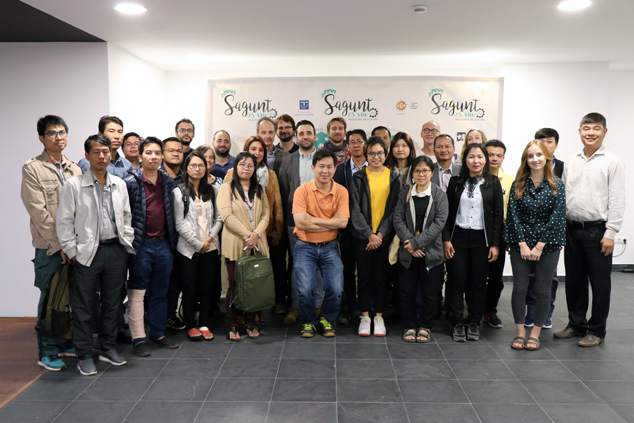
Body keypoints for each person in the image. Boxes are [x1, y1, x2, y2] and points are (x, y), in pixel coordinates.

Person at [57, 134, 134, 376]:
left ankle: (107, 347)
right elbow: (64, 221)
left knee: (112, 304)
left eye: (106, 152)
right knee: (84, 307)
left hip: (115, 251)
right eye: (97, 152)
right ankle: (84, 354)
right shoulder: (74, 185)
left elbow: (127, 217)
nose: (102, 156)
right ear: (87, 155)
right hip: (87, 254)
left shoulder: (119, 184)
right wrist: (72, 251)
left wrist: (126, 241)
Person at [554, 112, 625, 347]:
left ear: (604, 131)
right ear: (579, 132)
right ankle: (576, 324)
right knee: (574, 281)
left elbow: (617, 199)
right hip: (572, 228)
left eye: (596, 128)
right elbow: (564, 195)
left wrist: (610, 233)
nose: (590, 133)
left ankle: (596, 330)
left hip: (598, 231)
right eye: (586, 128)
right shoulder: (571, 160)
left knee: (600, 284)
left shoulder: (612, 161)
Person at [21, 115, 81, 371]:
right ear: (42, 138)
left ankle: (64, 343)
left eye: (62, 132)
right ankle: (46, 352)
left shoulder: (75, 168)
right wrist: (60, 245)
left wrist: (74, 245)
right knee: (49, 300)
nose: (59, 137)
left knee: (69, 298)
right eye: (52, 133)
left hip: (73, 246)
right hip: (49, 247)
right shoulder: (33, 168)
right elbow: (38, 212)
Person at [506, 140, 566, 351]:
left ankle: (535, 334)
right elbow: (513, 216)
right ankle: (520, 332)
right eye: (530, 156)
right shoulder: (518, 184)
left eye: (539, 155)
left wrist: (540, 245)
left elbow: (557, 217)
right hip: (520, 244)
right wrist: (522, 243)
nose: (535, 159)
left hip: (547, 245)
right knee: (519, 288)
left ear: (547, 157)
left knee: (543, 289)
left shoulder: (557, 185)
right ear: (526, 160)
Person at [123, 137, 179, 356]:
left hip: (164, 244)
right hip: (141, 245)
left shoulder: (167, 181)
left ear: (162, 156)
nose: (153, 157)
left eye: (157, 153)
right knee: (137, 293)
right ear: (140, 156)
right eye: (148, 153)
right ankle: (138, 338)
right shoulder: (130, 182)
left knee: (160, 292)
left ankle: (158, 333)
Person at [443, 143, 503, 342]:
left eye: (479, 157)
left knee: (478, 283)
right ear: (464, 159)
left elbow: (497, 216)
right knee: (457, 280)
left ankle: (474, 321)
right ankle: (457, 322)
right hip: (458, 238)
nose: (475, 161)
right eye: (471, 157)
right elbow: (446, 213)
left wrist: (495, 244)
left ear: (485, 159)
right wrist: (446, 239)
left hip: (482, 239)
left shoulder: (493, 182)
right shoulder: (455, 181)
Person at [224, 137, 285, 315]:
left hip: (263, 235)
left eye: (261, 150)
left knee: (257, 280)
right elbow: (226, 212)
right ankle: (235, 320)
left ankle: (254, 318)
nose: (257, 153)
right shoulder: (230, 176)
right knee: (236, 281)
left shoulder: (268, 177)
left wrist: (274, 232)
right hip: (238, 238)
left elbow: (274, 207)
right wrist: (247, 234)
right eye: (253, 149)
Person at [293, 150, 349, 338]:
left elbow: (343, 223)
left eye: (329, 167)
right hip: (305, 246)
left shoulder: (341, 191)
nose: (325, 171)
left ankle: (326, 319)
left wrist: (313, 219)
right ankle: (308, 321)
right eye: (321, 166)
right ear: (313, 168)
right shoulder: (302, 191)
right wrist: (330, 222)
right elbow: (300, 223)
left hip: (330, 246)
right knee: (305, 290)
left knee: (336, 289)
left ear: (335, 169)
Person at [393, 156, 448, 342]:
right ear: (412, 174)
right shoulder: (406, 192)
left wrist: (417, 243)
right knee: (406, 291)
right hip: (408, 251)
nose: (421, 174)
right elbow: (398, 219)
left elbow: (439, 223)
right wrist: (410, 243)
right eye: (417, 171)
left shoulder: (439, 195)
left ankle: (425, 326)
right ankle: (409, 325)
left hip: (430, 252)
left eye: (425, 170)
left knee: (430, 292)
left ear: (432, 173)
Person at [350, 136, 400, 336]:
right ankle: (365, 316)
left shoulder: (394, 177)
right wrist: (369, 234)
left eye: (380, 153)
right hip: (363, 237)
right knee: (363, 277)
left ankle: (378, 316)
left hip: (383, 237)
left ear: (386, 154)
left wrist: (380, 234)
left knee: (381, 278)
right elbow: (354, 209)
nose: (376, 157)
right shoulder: (358, 177)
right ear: (366, 154)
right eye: (371, 153)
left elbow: (395, 209)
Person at [218, 152, 270, 340]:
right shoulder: (226, 188)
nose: (246, 168)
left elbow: (266, 214)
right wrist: (247, 234)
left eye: (250, 165)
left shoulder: (260, 189)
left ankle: (250, 322)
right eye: (242, 164)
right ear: (235, 166)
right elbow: (227, 216)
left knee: (254, 285)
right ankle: (233, 323)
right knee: (235, 285)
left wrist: (256, 234)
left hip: (257, 243)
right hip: (236, 243)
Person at [278, 120, 326, 324]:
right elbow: (284, 191)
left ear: (315, 136)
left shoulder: (325, 159)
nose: (305, 136)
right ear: (296, 137)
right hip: (295, 222)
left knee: (320, 265)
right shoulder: (287, 161)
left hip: (322, 222)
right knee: (298, 265)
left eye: (309, 133)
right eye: (301, 133)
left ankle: (319, 306)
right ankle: (297, 306)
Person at [173, 152, 223, 342]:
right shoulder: (179, 192)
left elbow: (219, 218)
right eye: (193, 165)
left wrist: (209, 239)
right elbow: (179, 223)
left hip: (210, 246)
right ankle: (190, 324)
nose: (197, 169)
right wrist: (197, 243)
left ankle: (204, 323)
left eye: (201, 165)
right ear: (186, 169)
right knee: (190, 287)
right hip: (188, 249)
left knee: (207, 287)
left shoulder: (212, 190)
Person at [525, 127, 563, 328]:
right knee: (531, 276)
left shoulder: (563, 167)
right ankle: (531, 312)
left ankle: (546, 313)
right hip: (531, 233)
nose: (546, 145)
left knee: (550, 277)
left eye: (549, 141)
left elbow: (562, 206)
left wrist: (557, 234)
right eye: (542, 141)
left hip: (552, 234)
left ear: (556, 144)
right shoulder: (529, 169)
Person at [333, 129, 368, 324]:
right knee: (347, 270)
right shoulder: (341, 169)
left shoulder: (374, 166)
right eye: (352, 142)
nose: (356, 145)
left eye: (359, 141)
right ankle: (349, 308)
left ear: (365, 144)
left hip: (368, 229)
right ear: (347, 146)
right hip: (347, 229)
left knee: (365, 271)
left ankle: (365, 308)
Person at [483, 139, 515, 328]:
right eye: (490, 154)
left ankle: (490, 311)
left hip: (500, 230)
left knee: (495, 276)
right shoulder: (475, 177)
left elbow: (512, 210)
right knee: (476, 274)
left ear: (503, 158)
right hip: (478, 230)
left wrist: (509, 236)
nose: (494, 158)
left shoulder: (510, 180)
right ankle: (474, 310)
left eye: (499, 155)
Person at [162, 137, 186, 331]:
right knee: (159, 280)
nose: (176, 153)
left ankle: (170, 314)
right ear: (163, 154)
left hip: (181, 237)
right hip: (160, 236)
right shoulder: (156, 176)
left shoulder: (186, 178)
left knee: (176, 279)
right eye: (171, 150)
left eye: (179, 151)